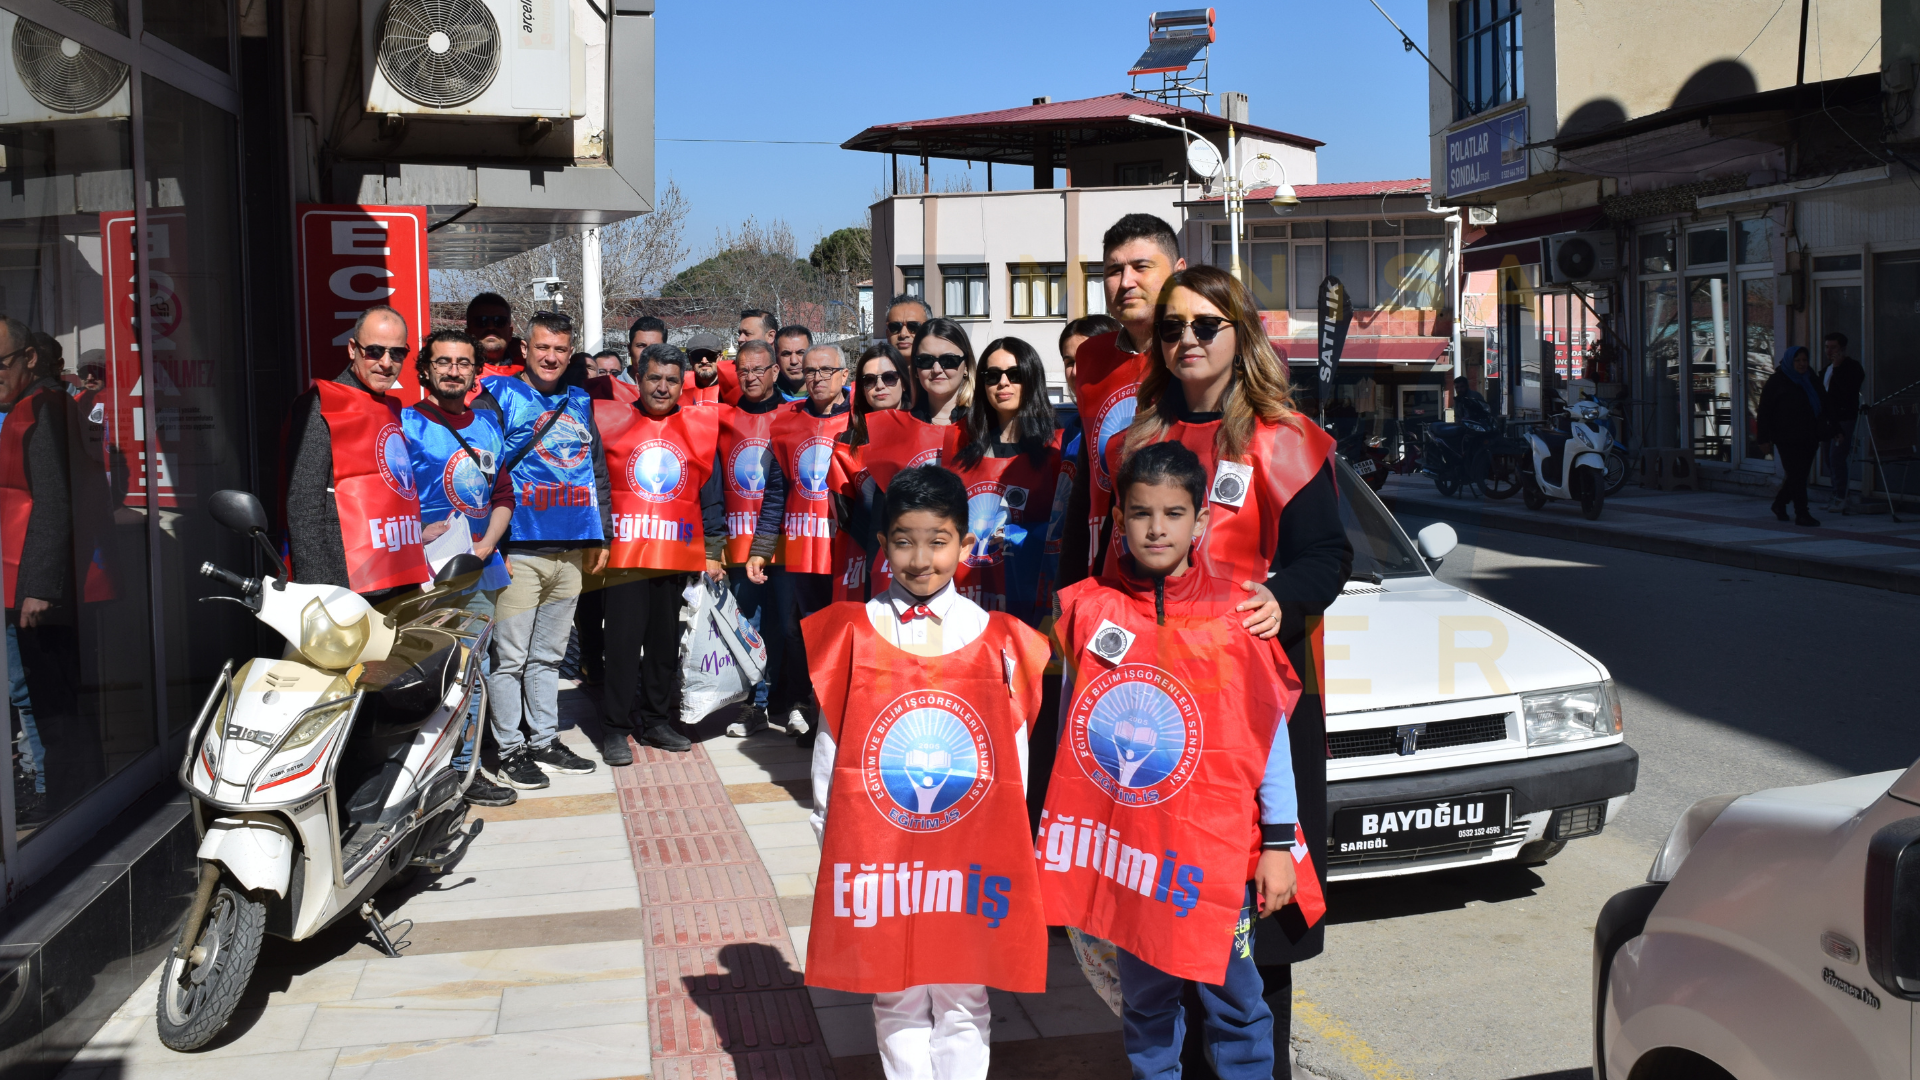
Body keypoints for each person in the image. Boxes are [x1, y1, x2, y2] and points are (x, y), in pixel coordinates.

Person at [1109, 264, 1352, 1070]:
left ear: (1239, 332)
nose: (1186, 340)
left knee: (1258, 924)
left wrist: (1280, 599)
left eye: (1205, 325)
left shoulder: (1289, 438)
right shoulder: (1135, 441)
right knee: (1163, 917)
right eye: (1173, 326)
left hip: (1263, 713)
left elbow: (1329, 556)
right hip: (1155, 714)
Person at [1038, 440, 1317, 1080]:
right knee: (1147, 1004)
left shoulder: (1237, 615)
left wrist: (1277, 844)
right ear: (1118, 521)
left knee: (1238, 1007)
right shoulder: (1086, 610)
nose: (1156, 528)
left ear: (1200, 521)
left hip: (1218, 861)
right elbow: (1068, 743)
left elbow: (1268, 742)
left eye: (1173, 513)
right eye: (1140, 513)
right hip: (1132, 858)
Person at [801, 464, 1051, 1080]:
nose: (921, 559)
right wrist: (829, 825)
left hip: (969, 852)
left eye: (938, 541)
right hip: (880, 848)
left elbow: (1012, 750)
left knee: (966, 995)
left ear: (965, 545)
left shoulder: (998, 638)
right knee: (895, 992)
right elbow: (836, 742)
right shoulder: (854, 631)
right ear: (883, 545)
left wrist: (1008, 834)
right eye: (904, 541)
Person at [475, 310, 614, 785]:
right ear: (526, 350)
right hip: (521, 549)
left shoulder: (580, 400)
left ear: (569, 353)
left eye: (559, 349)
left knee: (549, 657)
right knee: (510, 658)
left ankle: (543, 737)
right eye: (542, 348)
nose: (550, 357)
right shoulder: (500, 396)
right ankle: (510, 748)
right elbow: (483, 470)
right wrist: (492, 541)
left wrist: (603, 535)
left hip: (571, 549)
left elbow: (596, 472)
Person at [950, 337, 1071, 830]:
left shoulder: (1057, 450)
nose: (1002, 382)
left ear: (1032, 380)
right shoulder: (958, 445)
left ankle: (1028, 821)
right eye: (993, 374)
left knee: (1030, 722)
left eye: (1014, 373)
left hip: (1030, 612)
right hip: (970, 607)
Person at [402, 329, 518, 808]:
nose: (453, 370)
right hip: (423, 573)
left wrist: (488, 543)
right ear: (425, 369)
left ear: (475, 371)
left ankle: (463, 769)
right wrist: (415, 531)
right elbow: (386, 495)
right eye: (444, 362)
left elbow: (503, 494)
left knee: (474, 668)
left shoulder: (488, 425)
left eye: (463, 362)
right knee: (426, 669)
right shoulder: (404, 423)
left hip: (477, 571)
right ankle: (424, 770)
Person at [592, 343, 726, 755]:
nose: (663, 387)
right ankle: (615, 726)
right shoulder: (609, 421)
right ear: (637, 377)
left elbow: (711, 493)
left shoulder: (697, 427)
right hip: (625, 557)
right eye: (654, 378)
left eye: (671, 380)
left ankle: (655, 721)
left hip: (676, 554)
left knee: (665, 643)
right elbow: (596, 483)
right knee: (621, 643)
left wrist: (715, 548)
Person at [0, 317, 108, 815]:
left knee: (52, 703)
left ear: (29, 359)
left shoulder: (41, 407)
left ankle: (71, 805)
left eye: (1, 363)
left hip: (37, 586)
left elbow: (54, 500)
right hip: (32, 580)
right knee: (49, 699)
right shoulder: (33, 404)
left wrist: (39, 587)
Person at [1059, 215, 1186, 589]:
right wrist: (1066, 591)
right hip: (1106, 585)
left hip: (1189, 590)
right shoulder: (1092, 358)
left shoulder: (1207, 355)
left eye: (1141, 266)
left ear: (1179, 271)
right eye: (1114, 270)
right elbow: (1087, 488)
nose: (1126, 281)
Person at [283, 305, 429, 605]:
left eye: (397, 353)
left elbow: (390, 496)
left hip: (396, 580)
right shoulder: (321, 403)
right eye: (374, 351)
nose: (386, 363)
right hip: (344, 588)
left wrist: (422, 533)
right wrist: (321, 595)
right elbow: (304, 507)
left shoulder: (391, 407)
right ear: (353, 349)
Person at [745, 344, 852, 740]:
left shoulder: (865, 419)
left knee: (845, 633)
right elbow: (776, 491)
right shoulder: (787, 423)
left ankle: (844, 716)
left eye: (827, 370)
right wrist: (761, 547)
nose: (818, 378)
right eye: (810, 371)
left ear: (845, 374)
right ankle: (814, 710)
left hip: (847, 550)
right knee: (803, 633)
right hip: (801, 548)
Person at [719, 339, 789, 737]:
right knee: (747, 625)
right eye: (743, 370)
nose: (750, 377)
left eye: (759, 370)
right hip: (737, 544)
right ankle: (753, 705)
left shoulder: (793, 415)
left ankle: (786, 700)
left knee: (785, 627)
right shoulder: (723, 418)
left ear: (775, 372)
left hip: (789, 541)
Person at [1758, 344, 1825, 527]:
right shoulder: (1777, 381)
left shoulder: (1810, 379)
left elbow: (1822, 403)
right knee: (1796, 474)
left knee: (1799, 475)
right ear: (1789, 361)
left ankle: (1779, 504)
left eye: (1804, 360)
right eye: (1798, 360)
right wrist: (1763, 438)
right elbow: (1764, 411)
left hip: (1809, 435)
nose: (1802, 364)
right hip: (1786, 437)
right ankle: (1802, 513)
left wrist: (1831, 429)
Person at [1821, 331, 1864, 513]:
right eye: (1827, 347)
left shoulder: (1852, 367)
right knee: (1828, 458)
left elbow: (1848, 391)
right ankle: (1835, 493)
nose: (1830, 351)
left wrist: (1838, 368)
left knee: (1837, 456)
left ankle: (1841, 496)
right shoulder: (1826, 369)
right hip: (1827, 420)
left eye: (1834, 348)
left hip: (1844, 418)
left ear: (1843, 349)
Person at [1059, 314, 1121, 404]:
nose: (1074, 372)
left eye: (1086, 360)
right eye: (1070, 363)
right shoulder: (1069, 418)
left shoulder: (1140, 416)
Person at [467, 292, 525, 379]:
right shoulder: (458, 373)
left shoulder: (530, 373)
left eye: (499, 321)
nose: (491, 327)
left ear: (510, 333)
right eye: (482, 321)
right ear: (468, 333)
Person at [681, 331, 737, 405]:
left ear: (720, 357)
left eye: (710, 356)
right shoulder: (679, 390)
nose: (704, 361)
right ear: (690, 359)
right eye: (697, 356)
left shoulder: (734, 390)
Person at [882, 294, 931, 360]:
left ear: (929, 331)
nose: (903, 334)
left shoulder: (941, 369)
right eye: (895, 327)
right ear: (887, 334)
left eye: (913, 326)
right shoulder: (874, 368)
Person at [773, 325, 813, 401]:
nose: (794, 361)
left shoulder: (831, 394)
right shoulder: (767, 396)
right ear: (777, 358)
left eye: (801, 353)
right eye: (786, 354)